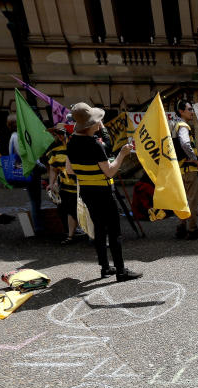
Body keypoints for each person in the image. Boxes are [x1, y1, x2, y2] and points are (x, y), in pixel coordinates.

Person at [67, 102, 141, 282]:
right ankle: (121, 271)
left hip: (87, 191)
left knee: (99, 229)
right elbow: (109, 171)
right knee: (114, 231)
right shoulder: (95, 145)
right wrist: (122, 154)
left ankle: (105, 267)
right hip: (103, 192)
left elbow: (69, 170)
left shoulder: (71, 142)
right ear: (91, 125)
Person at [172, 99, 198, 240]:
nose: (192, 112)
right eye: (189, 109)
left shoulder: (174, 125)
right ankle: (192, 230)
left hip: (180, 170)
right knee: (192, 201)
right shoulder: (183, 126)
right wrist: (194, 158)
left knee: (183, 200)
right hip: (189, 171)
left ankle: (181, 227)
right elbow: (185, 143)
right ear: (181, 111)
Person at [44, 122, 81, 244]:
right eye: (57, 133)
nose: (59, 135)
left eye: (61, 133)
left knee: (84, 210)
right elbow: (53, 169)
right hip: (65, 186)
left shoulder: (78, 145)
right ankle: (70, 236)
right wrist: (51, 183)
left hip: (82, 185)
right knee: (68, 210)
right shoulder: (54, 148)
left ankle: (91, 234)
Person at [8, 114, 44, 234]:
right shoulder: (19, 137)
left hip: (26, 170)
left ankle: (38, 225)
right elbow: (26, 155)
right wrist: (40, 166)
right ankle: (38, 227)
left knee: (35, 200)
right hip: (30, 170)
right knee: (35, 201)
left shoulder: (13, 136)